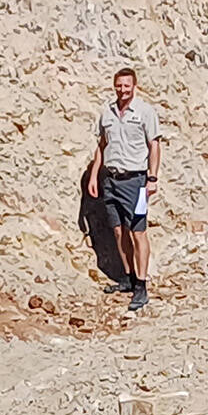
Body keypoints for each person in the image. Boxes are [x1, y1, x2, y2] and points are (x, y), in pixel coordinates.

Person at [86, 67, 162, 311]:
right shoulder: (106, 112)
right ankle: (128, 278)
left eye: (127, 85)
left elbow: (155, 145)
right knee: (119, 231)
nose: (122, 89)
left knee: (138, 232)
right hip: (111, 179)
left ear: (134, 86)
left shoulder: (145, 112)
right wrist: (95, 175)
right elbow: (102, 144)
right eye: (119, 85)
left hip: (135, 181)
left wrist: (152, 178)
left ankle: (141, 285)